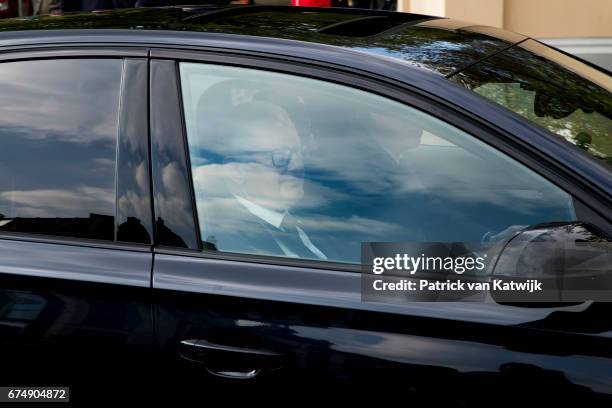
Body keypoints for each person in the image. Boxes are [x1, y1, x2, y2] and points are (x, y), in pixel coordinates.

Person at [192, 82, 327, 261]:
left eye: (298, 151)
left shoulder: (312, 217)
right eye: (280, 157)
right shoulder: (231, 245)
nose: (297, 165)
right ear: (236, 171)